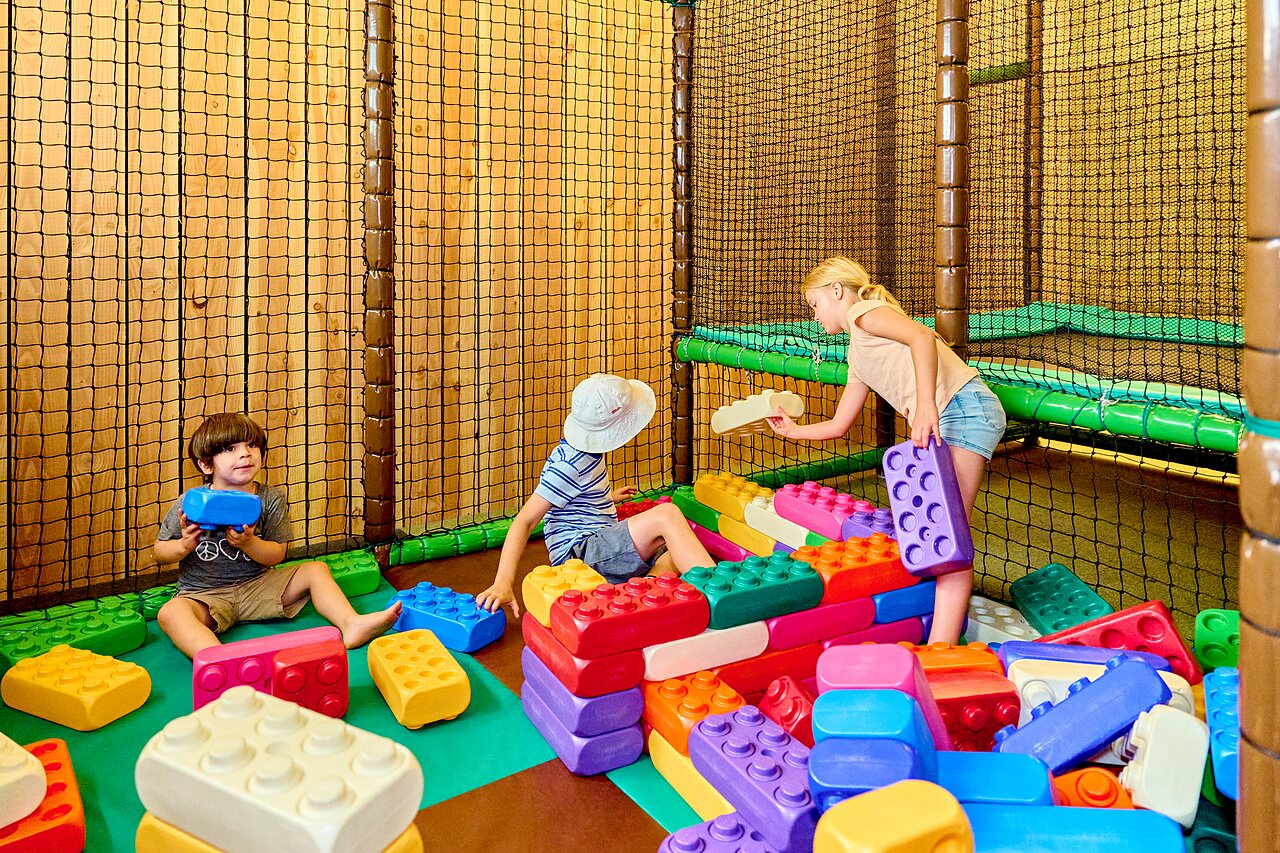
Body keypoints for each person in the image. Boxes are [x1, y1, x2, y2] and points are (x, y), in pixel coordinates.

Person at [766, 257, 1007, 644]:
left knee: (948, 538)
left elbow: (922, 337)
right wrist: (794, 432)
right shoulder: (857, 355)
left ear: (837, 292)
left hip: (962, 408)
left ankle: (940, 649)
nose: (815, 317)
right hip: (951, 413)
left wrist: (925, 403)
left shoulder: (864, 312)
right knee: (940, 538)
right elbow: (839, 425)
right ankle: (939, 636)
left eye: (815, 305)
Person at [153, 412, 401, 658]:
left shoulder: (270, 499)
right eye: (230, 449)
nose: (245, 453)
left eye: (252, 445)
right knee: (171, 613)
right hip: (204, 596)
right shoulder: (190, 502)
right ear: (206, 464)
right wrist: (184, 545)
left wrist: (249, 543)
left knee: (315, 570)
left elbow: (277, 555)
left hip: (259, 587)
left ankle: (351, 623)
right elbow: (160, 552)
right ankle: (219, 659)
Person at [477, 373, 714, 618]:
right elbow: (524, 520)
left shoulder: (579, 450)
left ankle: (643, 594)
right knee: (667, 516)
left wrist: (604, 498)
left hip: (595, 541)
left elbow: (572, 498)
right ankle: (719, 592)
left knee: (674, 549)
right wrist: (503, 582)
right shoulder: (570, 465)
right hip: (582, 553)